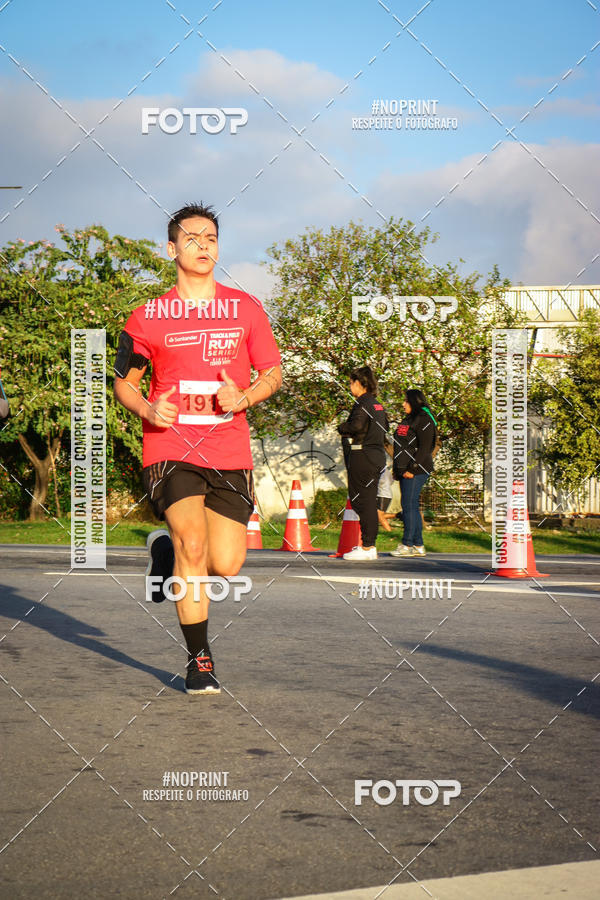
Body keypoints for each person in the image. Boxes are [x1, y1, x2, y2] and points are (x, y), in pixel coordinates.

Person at [113, 203, 282, 695]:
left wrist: (245, 396)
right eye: (192, 238)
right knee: (193, 543)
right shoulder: (148, 318)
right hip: (171, 447)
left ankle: (162, 548)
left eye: (210, 238)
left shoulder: (245, 309)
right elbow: (124, 383)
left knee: (225, 563)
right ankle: (199, 659)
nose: (203, 245)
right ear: (171, 249)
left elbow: (272, 373)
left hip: (229, 450)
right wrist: (147, 410)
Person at [337, 366, 388, 560]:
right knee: (367, 500)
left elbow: (356, 425)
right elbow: (385, 428)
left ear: (359, 383)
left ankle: (367, 547)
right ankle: (369, 545)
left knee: (361, 500)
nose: (350, 386)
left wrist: (342, 427)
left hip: (362, 455)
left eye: (351, 383)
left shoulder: (362, 403)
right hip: (376, 456)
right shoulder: (377, 405)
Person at [390, 389, 437, 557]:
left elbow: (425, 448)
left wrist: (412, 468)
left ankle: (407, 544)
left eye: (406, 401)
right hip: (404, 469)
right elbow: (401, 445)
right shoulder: (409, 419)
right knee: (411, 506)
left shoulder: (425, 419)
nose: (403, 404)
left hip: (417, 469)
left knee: (408, 505)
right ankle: (418, 545)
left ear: (415, 402)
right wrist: (397, 469)